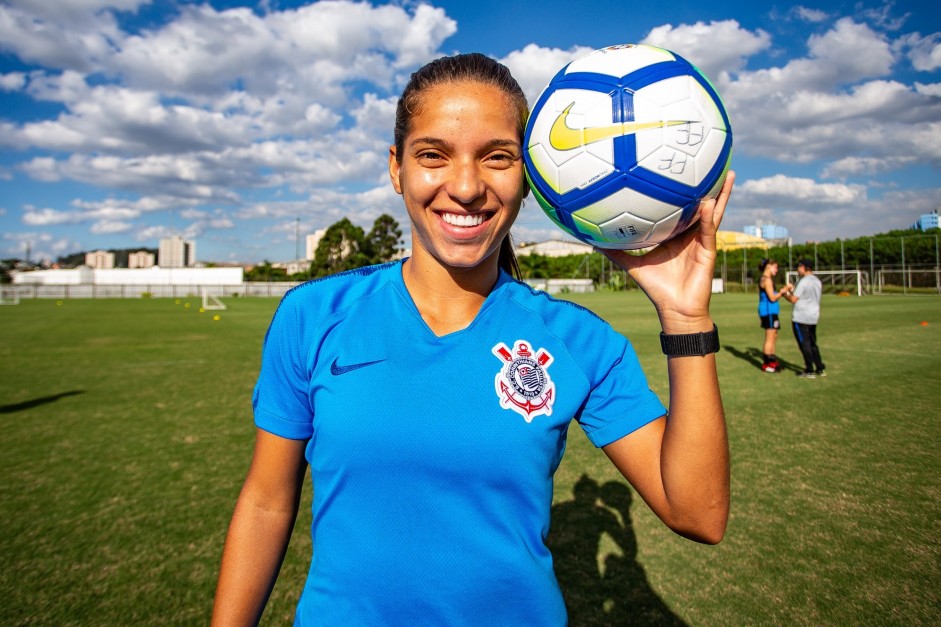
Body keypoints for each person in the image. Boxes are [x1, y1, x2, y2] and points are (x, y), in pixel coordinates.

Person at [212, 52, 732, 626]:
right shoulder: (312, 316)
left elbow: (698, 514)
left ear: (531, 176)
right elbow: (265, 502)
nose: (465, 186)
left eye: (497, 157)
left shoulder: (579, 340)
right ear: (396, 168)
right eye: (433, 155)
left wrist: (685, 320)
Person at [782, 259, 826, 378]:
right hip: (813, 316)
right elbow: (804, 296)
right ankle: (820, 368)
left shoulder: (804, 281)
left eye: (799, 267)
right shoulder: (817, 281)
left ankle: (809, 369)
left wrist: (784, 293)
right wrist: (792, 291)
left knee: (804, 343)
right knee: (812, 343)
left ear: (804, 267)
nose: (797, 269)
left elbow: (793, 300)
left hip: (801, 317)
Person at [756, 258, 791, 373]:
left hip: (771, 312)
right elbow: (772, 298)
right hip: (768, 312)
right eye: (775, 267)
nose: (776, 270)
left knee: (774, 336)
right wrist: (783, 291)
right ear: (768, 266)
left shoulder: (767, 279)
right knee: (770, 337)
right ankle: (767, 363)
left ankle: (772, 360)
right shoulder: (767, 280)